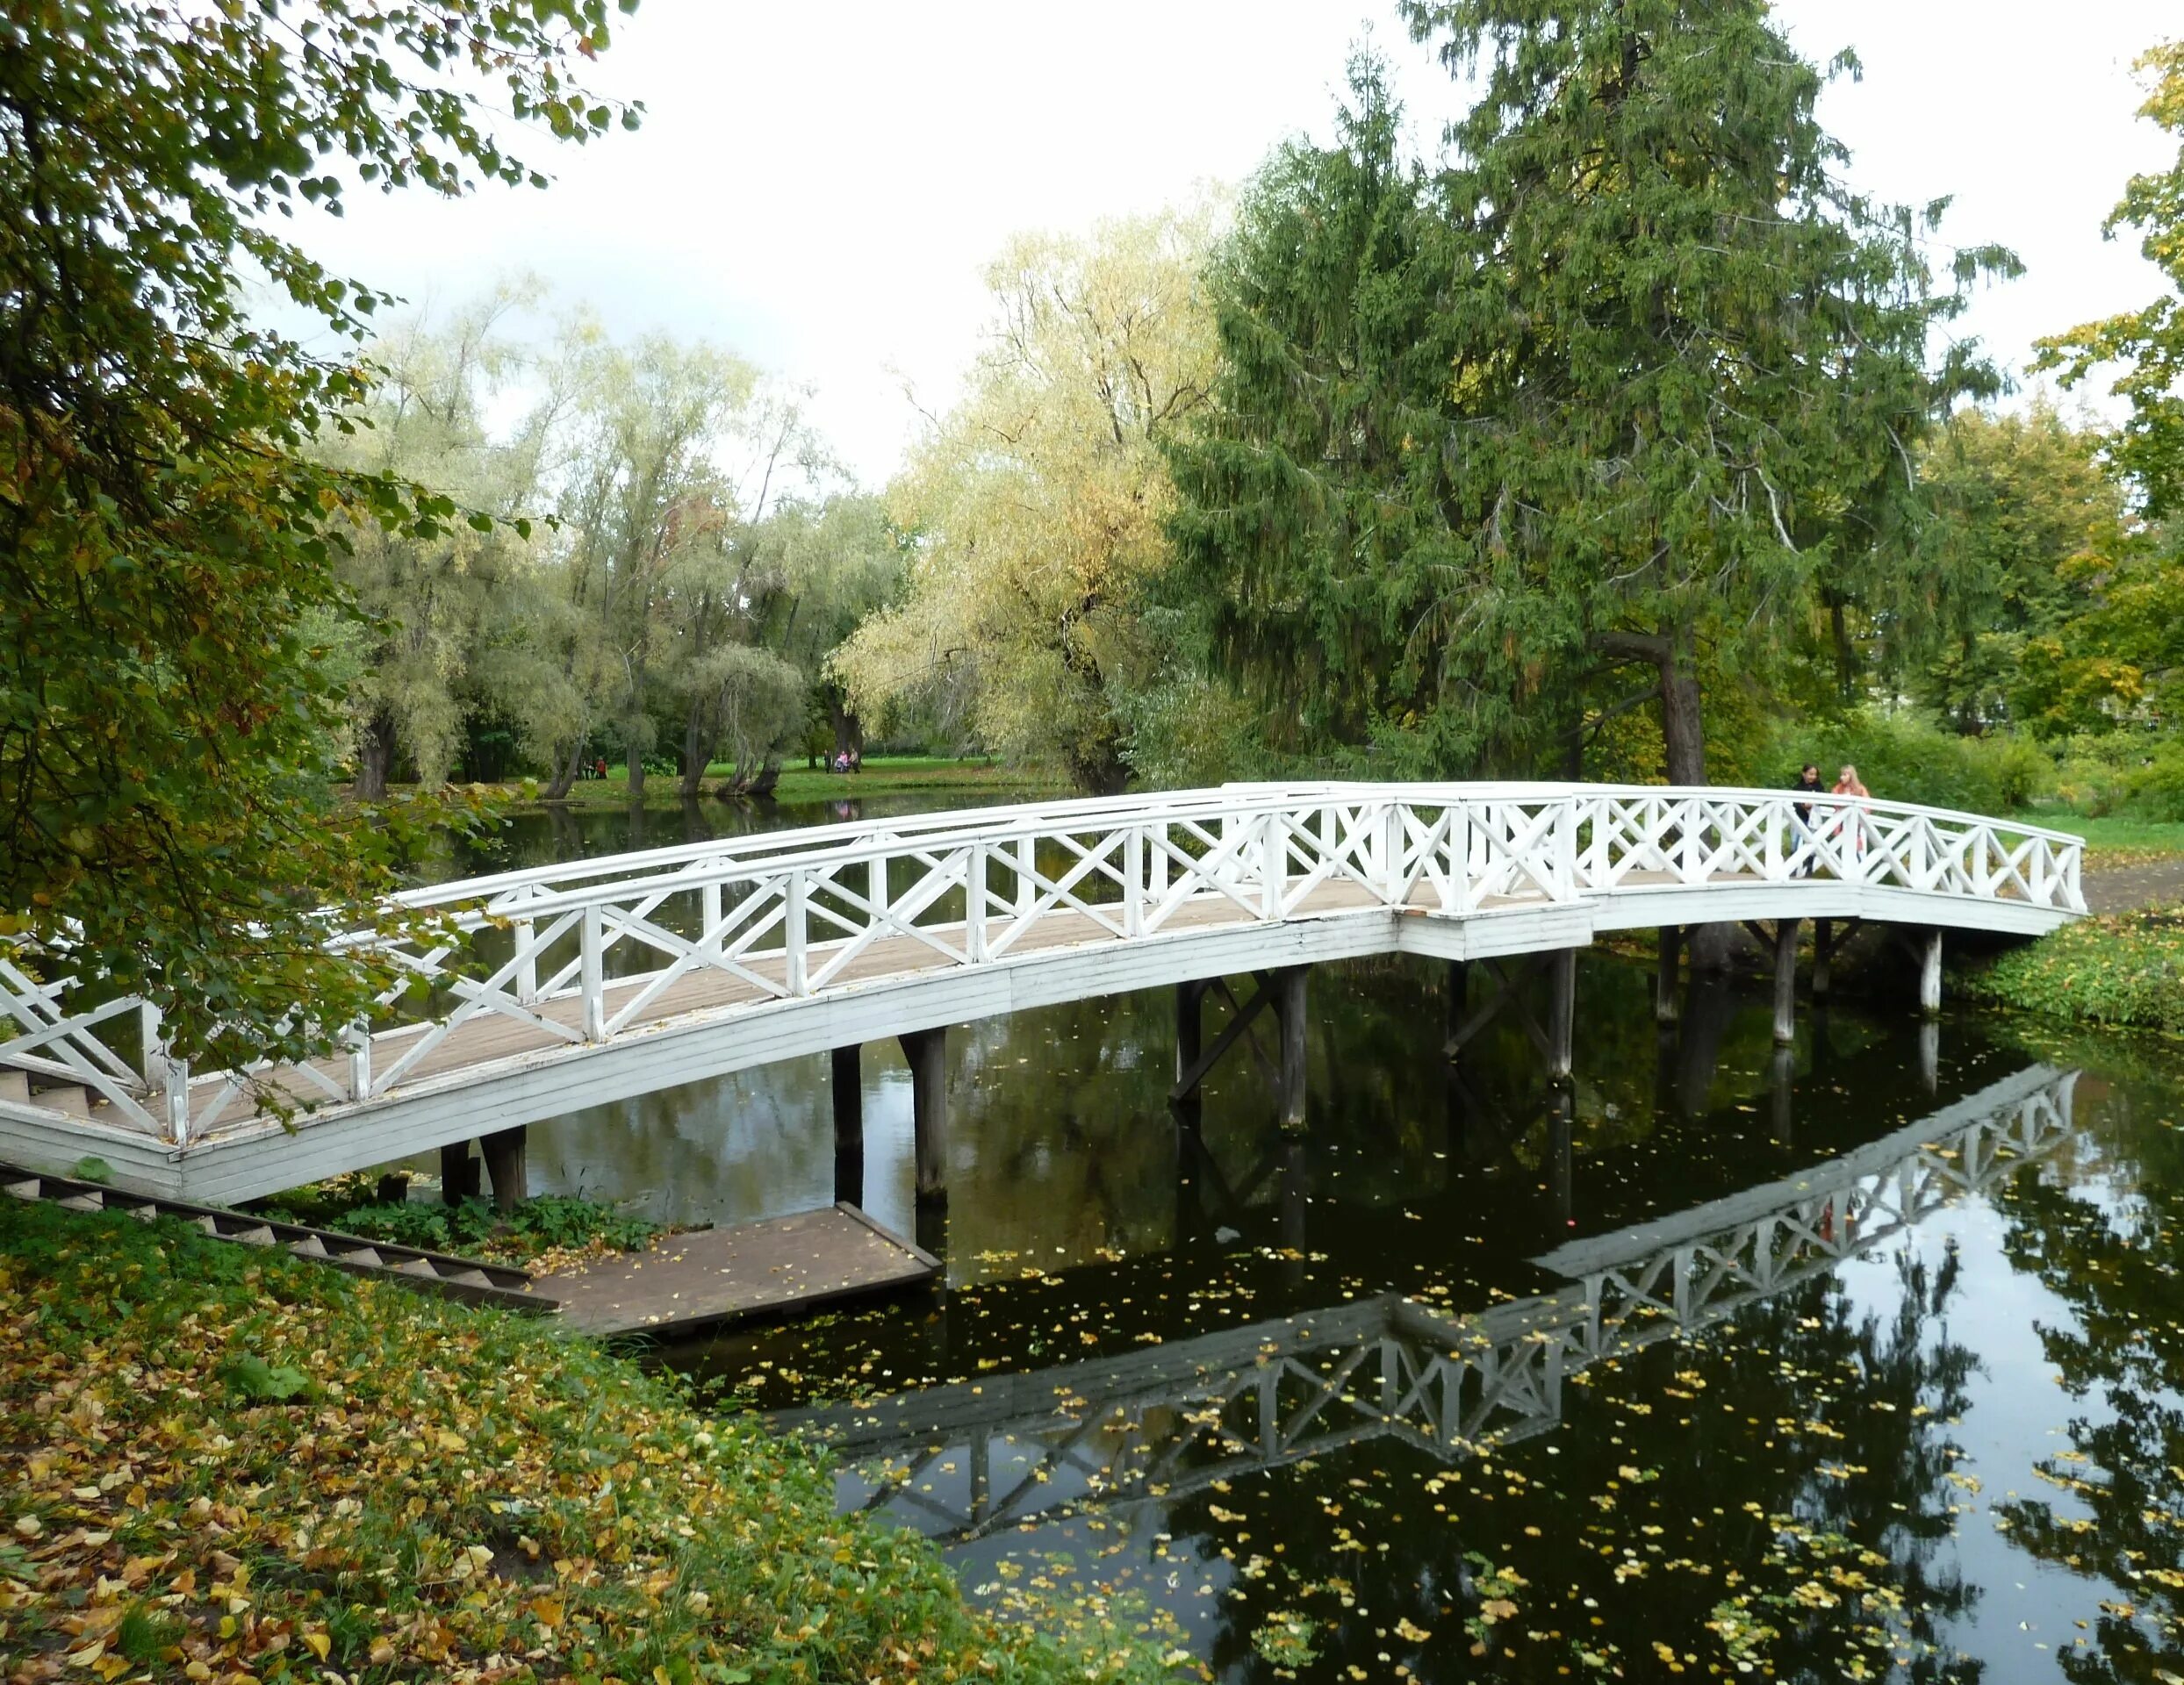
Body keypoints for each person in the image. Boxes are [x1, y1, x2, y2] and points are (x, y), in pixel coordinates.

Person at [1789, 763, 1824, 877]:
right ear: (1804, 774)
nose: (1812, 777)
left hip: (1812, 819)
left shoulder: (1819, 787)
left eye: (1815, 774)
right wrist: (1803, 805)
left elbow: (1823, 800)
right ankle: (1792, 868)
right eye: (1810, 774)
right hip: (1799, 817)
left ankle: (1809, 868)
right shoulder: (1797, 787)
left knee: (1810, 843)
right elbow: (1794, 802)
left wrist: (1813, 803)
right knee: (1794, 842)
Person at [1832, 764, 1871, 862]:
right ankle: (1841, 867)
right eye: (1842, 774)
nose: (1842, 777)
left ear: (1851, 776)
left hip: (1855, 821)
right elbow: (1834, 801)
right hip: (1841, 819)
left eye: (1845, 774)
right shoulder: (1838, 788)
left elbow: (1867, 805)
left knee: (1853, 843)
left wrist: (1861, 816)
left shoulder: (1860, 789)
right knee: (1840, 842)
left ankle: (1859, 867)